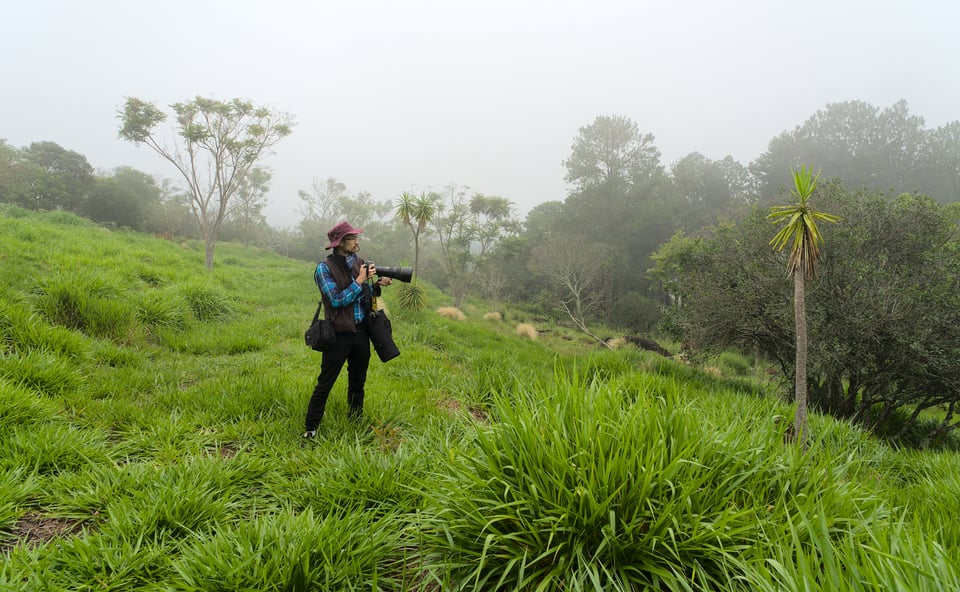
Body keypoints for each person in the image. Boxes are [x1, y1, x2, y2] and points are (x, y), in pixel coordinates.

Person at [303, 221, 392, 439]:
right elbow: (335, 300)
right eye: (352, 238)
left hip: (361, 332)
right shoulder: (324, 268)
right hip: (337, 336)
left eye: (356, 238)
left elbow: (365, 294)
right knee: (325, 383)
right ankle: (311, 429)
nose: (357, 242)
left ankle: (355, 421)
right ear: (340, 242)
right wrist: (360, 279)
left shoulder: (358, 262)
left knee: (358, 381)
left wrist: (377, 284)